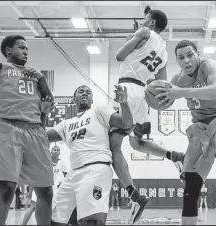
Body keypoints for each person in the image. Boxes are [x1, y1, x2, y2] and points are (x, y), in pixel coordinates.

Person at [135, 39, 216, 224]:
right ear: (177, 61)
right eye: (181, 57)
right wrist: (149, 95)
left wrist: (182, 92)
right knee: (191, 186)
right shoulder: (176, 80)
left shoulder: (208, 66)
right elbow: (163, 100)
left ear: (198, 55)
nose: (187, 60)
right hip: (199, 130)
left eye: (190, 55)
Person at [0, 35, 55, 225]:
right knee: (7, 188)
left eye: (27, 49)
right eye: (21, 47)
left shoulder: (35, 75)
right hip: (9, 129)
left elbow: (47, 107)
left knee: (46, 190)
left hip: (36, 132)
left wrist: (41, 79)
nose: (26, 51)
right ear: (8, 50)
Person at [111, 7, 184, 224]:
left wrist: (133, 37)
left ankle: (134, 196)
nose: (142, 22)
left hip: (127, 90)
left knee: (114, 144)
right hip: (143, 96)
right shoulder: (164, 51)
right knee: (137, 142)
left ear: (151, 23)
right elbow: (160, 82)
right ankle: (174, 156)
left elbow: (119, 55)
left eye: (145, 20)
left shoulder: (143, 32)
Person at [46, 84, 133, 225]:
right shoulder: (66, 124)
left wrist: (123, 103)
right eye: (80, 91)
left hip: (96, 168)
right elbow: (42, 137)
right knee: (53, 219)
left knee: (91, 221)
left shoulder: (98, 110)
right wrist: (42, 112)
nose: (85, 93)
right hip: (73, 173)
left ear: (92, 99)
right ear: (74, 99)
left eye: (88, 92)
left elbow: (126, 122)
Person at [22, 146, 68, 225]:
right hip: (40, 187)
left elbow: (66, 176)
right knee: (33, 207)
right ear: (51, 151)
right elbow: (34, 176)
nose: (56, 151)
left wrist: (61, 184)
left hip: (53, 188)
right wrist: (30, 192)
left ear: (60, 153)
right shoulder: (46, 161)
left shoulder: (62, 164)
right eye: (54, 150)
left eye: (58, 150)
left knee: (51, 209)